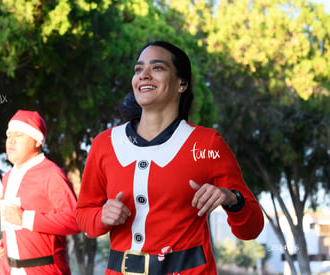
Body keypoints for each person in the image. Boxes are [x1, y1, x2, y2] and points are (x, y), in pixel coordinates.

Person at [75, 41, 264, 274]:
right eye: (138, 69)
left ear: (181, 84)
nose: (144, 75)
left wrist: (232, 198)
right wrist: (101, 216)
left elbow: (252, 229)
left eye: (157, 68)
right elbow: (83, 215)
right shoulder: (104, 144)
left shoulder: (207, 144)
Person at [0, 109, 80, 275]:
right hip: (6, 269)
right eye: (9, 135)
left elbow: (76, 221)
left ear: (37, 141)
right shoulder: (7, 177)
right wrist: (7, 243)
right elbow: (14, 225)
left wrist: (24, 218)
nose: (11, 141)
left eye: (18, 136)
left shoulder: (51, 173)